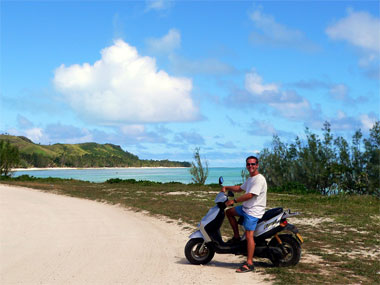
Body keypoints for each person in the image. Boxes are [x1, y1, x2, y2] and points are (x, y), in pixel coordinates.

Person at [221, 155, 267, 273]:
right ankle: (236, 237)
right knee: (229, 212)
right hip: (246, 207)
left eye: (253, 164)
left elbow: (250, 195)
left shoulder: (259, 179)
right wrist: (226, 187)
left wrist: (234, 201)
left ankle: (249, 263)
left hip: (253, 210)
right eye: (248, 164)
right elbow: (239, 188)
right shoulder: (250, 178)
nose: (250, 166)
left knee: (249, 235)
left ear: (257, 165)